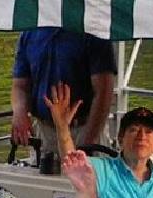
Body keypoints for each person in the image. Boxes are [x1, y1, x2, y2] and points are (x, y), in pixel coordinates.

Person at [12, 26, 118, 171]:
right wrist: (19, 113)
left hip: (84, 128)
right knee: (46, 186)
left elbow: (104, 91)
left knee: (88, 185)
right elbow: (20, 86)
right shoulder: (29, 33)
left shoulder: (94, 33)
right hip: (45, 132)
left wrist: (89, 141)